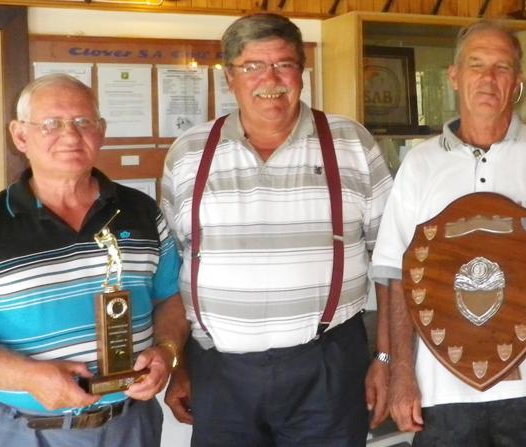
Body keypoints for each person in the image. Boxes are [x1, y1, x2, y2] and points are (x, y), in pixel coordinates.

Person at [160, 13, 394, 446]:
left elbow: (391, 267)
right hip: (219, 373)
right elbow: (169, 274)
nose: (270, 79)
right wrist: (179, 364)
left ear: (301, 73)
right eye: (252, 66)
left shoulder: (351, 143)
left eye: (284, 64)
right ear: (230, 77)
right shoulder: (189, 152)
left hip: (327, 370)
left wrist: (385, 358)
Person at [0, 73, 187, 447]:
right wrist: (29, 376)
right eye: (51, 124)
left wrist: (167, 353)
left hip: (130, 426)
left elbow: (170, 299)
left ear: (101, 132)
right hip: (24, 433)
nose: (71, 136)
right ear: (20, 136)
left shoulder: (142, 212)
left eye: (83, 122)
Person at [371, 20, 526, 446]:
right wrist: (401, 370)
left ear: (517, 82)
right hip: (442, 387)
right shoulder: (420, 165)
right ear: (454, 76)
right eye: (476, 64)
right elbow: (397, 274)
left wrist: (521, 274)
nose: (488, 78)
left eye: (502, 67)